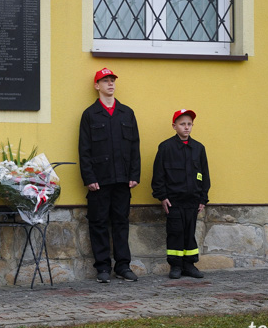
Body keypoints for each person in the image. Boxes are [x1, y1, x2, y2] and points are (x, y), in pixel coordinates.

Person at [78, 67, 141, 283]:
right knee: (98, 223)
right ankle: (103, 268)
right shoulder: (89, 115)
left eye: (112, 80)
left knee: (121, 223)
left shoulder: (127, 113)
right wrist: (89, 178)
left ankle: (123, 266)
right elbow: (84, 150)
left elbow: (134, 146)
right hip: (99, 181)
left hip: (123, 179)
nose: (110, 84)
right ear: (97, 86)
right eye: (105, 81)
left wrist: (134, 174)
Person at [151, 109, 211, 279]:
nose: (186, 127)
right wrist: (162, 196)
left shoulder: (198, 148)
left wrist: (202, 199)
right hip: (174, 202)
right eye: (182, 124)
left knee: (189, 233)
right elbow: (158, 175)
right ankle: (176, 266)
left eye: (189, 124)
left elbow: (204, 175)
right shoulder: (166, 148)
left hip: (192, 201)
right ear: (174, 126)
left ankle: (189, 265)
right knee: (176, 233)